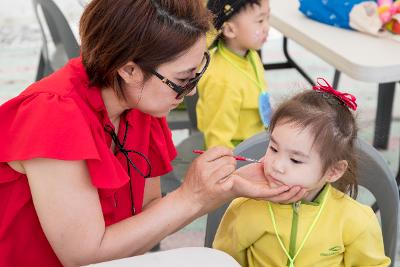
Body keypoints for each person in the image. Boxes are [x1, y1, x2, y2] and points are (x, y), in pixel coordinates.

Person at [0, 0, 307, 266]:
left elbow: (146, 216)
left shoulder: (140, 99)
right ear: (129, 69)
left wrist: (218, 190)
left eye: (199, 71)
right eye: (183, 79)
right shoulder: (53, 115)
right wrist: (190, 197)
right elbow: (82, 256)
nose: (191, 90)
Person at [213, 78, 391, 267]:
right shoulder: (244, 208)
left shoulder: (356, 221)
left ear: (334, 171)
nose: (276, 165)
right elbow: (221, 261)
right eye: (273, 148)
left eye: (296, 160)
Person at [196, 0, 272, 149]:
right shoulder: (222, 81)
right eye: (260, 21)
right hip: (239, 152)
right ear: (230, 30)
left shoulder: (250, 54)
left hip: (258, 137)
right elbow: (217, 140)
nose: (267, 27)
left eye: (268, 18)